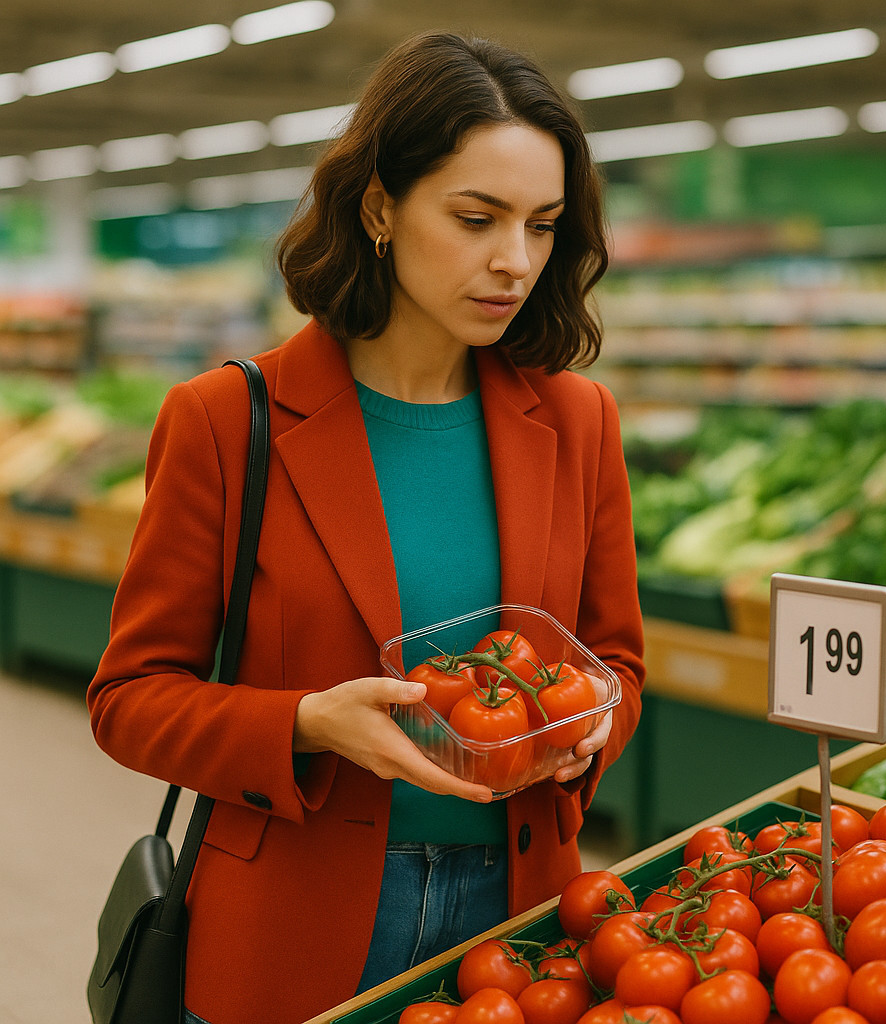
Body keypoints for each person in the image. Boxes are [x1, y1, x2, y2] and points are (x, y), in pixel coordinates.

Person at [87, 30, 644, 1024]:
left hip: (519, 926)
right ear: (380, 207)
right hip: (289, 925)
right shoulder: (228, 420)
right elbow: (129, 699)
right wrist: (305, 722)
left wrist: (592, 728)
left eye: (543, 226)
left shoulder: (577, 421)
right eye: (475, 218)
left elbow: (618, 662)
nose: (514, 261)